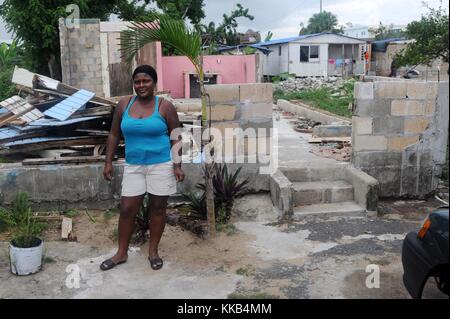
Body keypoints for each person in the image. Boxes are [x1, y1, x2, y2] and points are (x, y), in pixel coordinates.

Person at [100, 65, 185, 271]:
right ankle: (121, 253)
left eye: (146, 81)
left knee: (157, 208)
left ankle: (153, 252)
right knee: (127, 209)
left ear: (154, 83)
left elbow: (176, 136)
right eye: (137, 81)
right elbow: (113, 134)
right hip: (134, 165)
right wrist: (108, 161)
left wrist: (177, 165)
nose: (141, 85)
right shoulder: (124, 105)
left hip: (161, 165)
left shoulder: (164, 106)